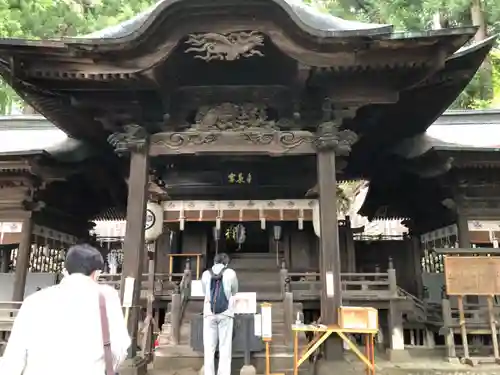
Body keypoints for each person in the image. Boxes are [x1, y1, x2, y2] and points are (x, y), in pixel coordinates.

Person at [0, 243, 131, 375]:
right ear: (96, 273)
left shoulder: (34, 300)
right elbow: (119, 347)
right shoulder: (107, 297)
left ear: (65, 270)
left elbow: (14, 357)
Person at [201, 253, 238, 375]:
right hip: (226, 313)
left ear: (214, 262)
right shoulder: (231, 273)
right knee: (225, 346)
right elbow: (234, 291)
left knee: (209, 347)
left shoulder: (206, 274)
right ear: (226, 263)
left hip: (209, 312)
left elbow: (204, 291)